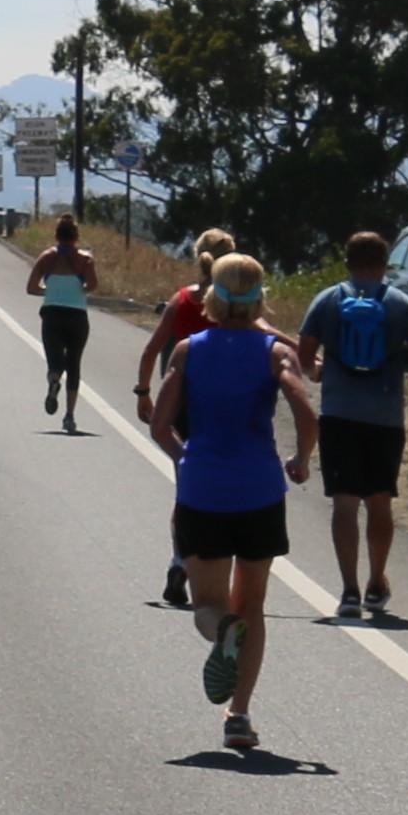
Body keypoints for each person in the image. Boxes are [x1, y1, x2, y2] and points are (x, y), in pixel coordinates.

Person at [142, 254, 313, 751]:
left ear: (212, 296)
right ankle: (238, 714)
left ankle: (224, 631)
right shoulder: (275, 351)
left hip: (204, 491)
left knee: (209, 607)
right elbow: (306, 409)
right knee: (253, 606)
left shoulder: (189, 350)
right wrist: (301, 457)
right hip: (260, 490)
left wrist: (186, 457)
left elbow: (159, 424)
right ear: (259, 297)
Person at [292, 227, 408, 622]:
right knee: (379, 501)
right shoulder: (400, 303)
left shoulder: (327, 300)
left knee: (345, 502)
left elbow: (304, 353)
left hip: (338, 415)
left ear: (347, 262)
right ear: (385, 264)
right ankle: (375, 581)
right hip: (384, 417)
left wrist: (318, 374)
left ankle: (348, 590)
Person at [133, 228, 234, 604]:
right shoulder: (234, 303)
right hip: (225, 409)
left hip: (181, 408)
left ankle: (180, 560)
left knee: (187, 487)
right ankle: (215, 566)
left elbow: (150, 350)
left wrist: (144, 393)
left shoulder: (182, 300)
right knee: (226, 489)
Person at [25, 214, 99, 425]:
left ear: (57, 235)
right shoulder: (85, 259)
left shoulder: (46, 257)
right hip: (77, 316)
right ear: (76, 236)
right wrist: (77, 289)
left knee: (55, 362)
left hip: (52, 314)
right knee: (74, 364)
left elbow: (31, 287)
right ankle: (69, 415)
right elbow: (92, 286)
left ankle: (54, 381)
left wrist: (50, 291)